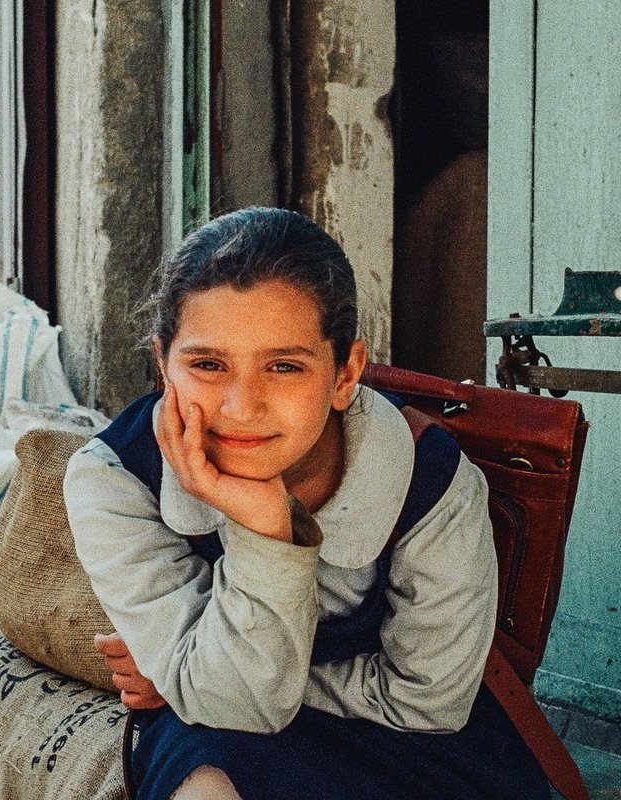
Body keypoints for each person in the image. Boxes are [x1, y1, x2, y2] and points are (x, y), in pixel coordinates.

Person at [62, 207, 549, 800]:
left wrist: (188, 675)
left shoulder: (432, 482)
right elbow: (234, 706)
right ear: (163, 363)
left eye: (285, 366)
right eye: (208, 364)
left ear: (346, 374)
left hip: (409, 745)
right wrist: (263, 525)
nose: (242, 407)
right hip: (222, 735)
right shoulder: (116, 480)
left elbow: (427, 701)